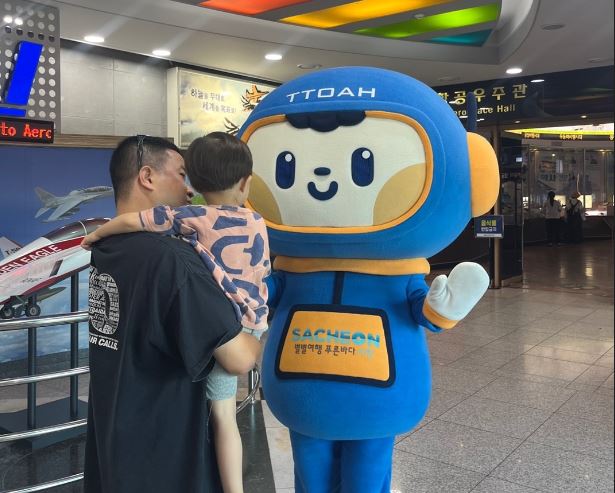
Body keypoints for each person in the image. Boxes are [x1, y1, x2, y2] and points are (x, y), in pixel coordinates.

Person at [82, 132, 269, 493]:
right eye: (182, 175)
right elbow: (238, 358)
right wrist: (261, 333)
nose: (189, 190)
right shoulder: (172, 260)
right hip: (166, 457)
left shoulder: (108, 250)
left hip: (115, 444)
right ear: (147, 177)